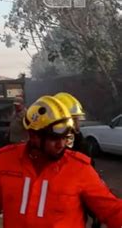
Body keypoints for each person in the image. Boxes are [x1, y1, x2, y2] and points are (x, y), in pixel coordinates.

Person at [0, 96, 122, 228]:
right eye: (54, 139)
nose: (61, 144)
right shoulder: (5, 160)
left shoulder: (79, 168)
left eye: (65, 138)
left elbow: (112, 210)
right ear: (34, 135)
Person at [54, 92, 100, 228]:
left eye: (77, 120)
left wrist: (95, 211)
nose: (77, 125)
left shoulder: (80, 142)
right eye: (73, 120)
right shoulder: (54, 150)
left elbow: (88, 182)